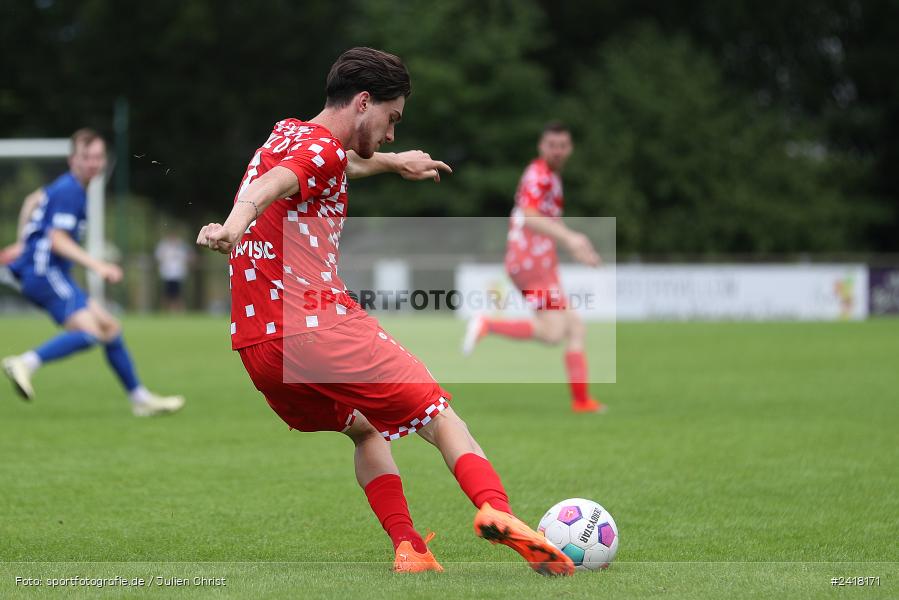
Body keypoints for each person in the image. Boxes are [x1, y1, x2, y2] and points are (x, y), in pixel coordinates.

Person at [196, 47, 574, 576]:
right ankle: (499, 512)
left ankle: (411, 550)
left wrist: (396, 163)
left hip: (258, 347)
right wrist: (234, 226)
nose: (393, 133)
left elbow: (325, 165)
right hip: (315, 328)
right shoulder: (318, 152)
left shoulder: (288, 134)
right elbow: (270, 186)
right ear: (364, 101)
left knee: (367, 428)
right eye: (392, 119)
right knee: (440, 415)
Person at [2, 128, 185, 417]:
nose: (93, 163)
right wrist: (97, 265)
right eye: (86, 157)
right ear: (72, 159)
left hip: (47, 271)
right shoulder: (71, 190)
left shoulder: (67, 187)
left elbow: (32, 200)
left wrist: (24, 242)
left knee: (109, 327)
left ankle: (139, 398)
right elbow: (57, 239)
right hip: (44, 273)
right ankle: (25, 362)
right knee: (89, 332)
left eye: (98, 157)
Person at [462, 122, 605, 413]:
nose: (558, 151)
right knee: (554, 333)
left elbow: (549, 219)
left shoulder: (551, 177)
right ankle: (488, 324)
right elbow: (529, 217)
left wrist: (576, 244)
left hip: (539, 262)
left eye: (562, 145)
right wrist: (570, 238)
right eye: (552, 145)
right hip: (531, 263)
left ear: (570, 148)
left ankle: (582, 402)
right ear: (542, 147)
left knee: (575, 327)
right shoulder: (538, 175)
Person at [155, 231, 194, 312]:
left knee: (178, 294)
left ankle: (178, 311)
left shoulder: (182, 247)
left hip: (178, 274)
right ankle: (166, 311)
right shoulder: (164, 246)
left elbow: (190, 256)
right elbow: (158, 257)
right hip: (167, 274)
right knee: (167, 294)